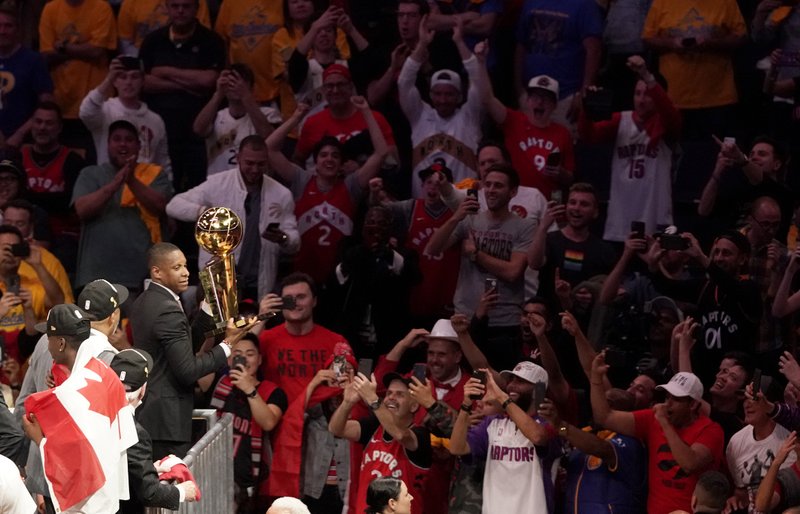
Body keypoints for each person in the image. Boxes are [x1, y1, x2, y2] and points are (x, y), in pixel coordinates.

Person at [130, 242, 254, 459]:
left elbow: (184, 346)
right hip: (167, 423)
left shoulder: (146, 300)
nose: (186, 273)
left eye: (185, 266)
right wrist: (228, 344)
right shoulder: (167, 309)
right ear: (157, 272)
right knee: (170, 488)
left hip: (154, 415)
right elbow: (188, 370)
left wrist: (208, 306)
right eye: (177, 268)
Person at [22, 304, 137, 514]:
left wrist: (38, 438)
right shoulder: (107, 375)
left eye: (49, 339)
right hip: (109, 497)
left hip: (84, 505)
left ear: (61, 343)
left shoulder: (67, 395)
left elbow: (72, 461)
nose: (47, 345)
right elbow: (125, 438)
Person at [266, 97, 388, 286]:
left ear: (341, 164)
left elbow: (381, 153)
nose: (329, 159)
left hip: (339, 279)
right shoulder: (302, 180)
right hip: (301, 276)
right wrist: (297, 116)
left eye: (335, 155)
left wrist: (366, 112)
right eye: (323, 155)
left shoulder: (351, 186)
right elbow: (270, 148)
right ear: (315, 162)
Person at [426, 163, 534, 370]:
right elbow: (432, 248)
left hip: (505, 321)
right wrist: (457, 216)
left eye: (499, 186)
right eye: (488, 185)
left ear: (513, 192)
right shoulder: (470, 220)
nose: (491, 190)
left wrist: (476, 255)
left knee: (499, 385)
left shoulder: (525, 226)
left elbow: (513, 272)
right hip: (466, 318)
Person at [166, 135, 300, 302]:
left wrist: (283, 238)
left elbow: (295, 242)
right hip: (219, 280)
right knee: (217, 328)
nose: (255, 169)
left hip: (259, 283)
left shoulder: (281, 194)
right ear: (238, 159)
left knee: (254, 328)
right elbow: (173, 205)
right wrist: (204, 212)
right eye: (249, 163)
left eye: (260, 164)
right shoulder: (217, 184)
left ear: (267, 161)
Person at [590, 354, 725, 514]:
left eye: (676, 399)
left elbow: (689, 463)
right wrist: (596, 379)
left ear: (693, 404)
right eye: (667, 396)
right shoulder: (652, 419)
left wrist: (664, 423)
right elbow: (605, 417)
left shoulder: (711, 430)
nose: (668, 403)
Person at [578, 55, 681, 241]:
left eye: (647, 94)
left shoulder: (664, 122)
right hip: (621, 220)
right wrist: (587, 108)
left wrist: (646, 75)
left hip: (655, 218)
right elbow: (588, 136)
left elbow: (671, 114)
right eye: (637, 93)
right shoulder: (621, 120)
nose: (641, 100)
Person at [72, 120, 172, 292]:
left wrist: (131, 179)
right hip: (96, 277)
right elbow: (82, 210)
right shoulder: (90, 174)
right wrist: (115, 184)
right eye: (117, 139)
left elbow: (160, 206)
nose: (123, 144)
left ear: (139, 146)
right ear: (108, 145)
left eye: (129, 139)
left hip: (142, 277)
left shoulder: (155, 174)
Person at [449, 361, 559, 513]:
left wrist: (501, 397)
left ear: (537, 390)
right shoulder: (493, 423)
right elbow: (456, 448)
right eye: (511, 380)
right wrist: (466, 403)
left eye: (520, 382)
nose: (512, 385)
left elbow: (538, 437)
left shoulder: (549, 424)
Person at [139, 0, 225, 190]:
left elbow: (208, 81)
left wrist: (164, 71)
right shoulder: (153, 41)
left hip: (200, 132)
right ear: (167, 8)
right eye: (175, 6)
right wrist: (188, 84)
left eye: (186, 6)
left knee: (200, 189)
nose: (180, 11)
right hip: (162, 129)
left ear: (196, 8)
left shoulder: (211, 40)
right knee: (164, 187)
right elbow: (144, 82)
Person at [398, 17, 483, 197]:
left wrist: (459, 42)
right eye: (438, 94)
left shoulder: (469, 117)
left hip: (461, 211)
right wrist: (421, 45)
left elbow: (479, 81)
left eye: (449, 94)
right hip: (423, 210)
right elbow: (404, 83)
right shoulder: (419, 116)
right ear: (430, 95)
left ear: (460, 96)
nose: (443, 100)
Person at [477, 42, 573, 197]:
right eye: (535, 97)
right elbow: (487, 99)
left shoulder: (563, 133)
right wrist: (481, 62)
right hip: (515, 200)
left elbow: (570, 178)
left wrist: (560, 173)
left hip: (547, 202)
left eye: (546, 98)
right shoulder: (513, 120)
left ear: (554, 105)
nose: (540, 102)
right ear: (527, 101)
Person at [110, 348, 199, 513]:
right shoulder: (135, 432)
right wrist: (181, 492)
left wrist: (146, 469)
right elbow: (149, 493)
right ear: (143, 389)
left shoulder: (93, 415)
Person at [328, 372, 431, 514]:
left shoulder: (421, 435)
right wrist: (348, 402)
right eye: (389, 393)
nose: (391, 398)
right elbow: (336, 429)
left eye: (400, 395)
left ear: (413, 406)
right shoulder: (373, 426)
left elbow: (400, 435)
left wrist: (372, 399)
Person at [641, 0, 746, 139]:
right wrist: (671, 43)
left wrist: (710, 43)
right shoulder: (662, 2)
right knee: (675, 154)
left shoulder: (726, 2)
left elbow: (741, 37)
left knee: (716, 154)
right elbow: (647, 38)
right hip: (673, 98)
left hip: (717, 97)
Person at [209, 334, 286, 512]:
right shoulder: (218, 382)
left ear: (259, 359)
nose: (243, 359)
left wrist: (249, 389)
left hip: (251, 481)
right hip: (214, 474)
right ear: (229, 359)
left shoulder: (274, 392)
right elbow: (196, 368)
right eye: (238, 353)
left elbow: (268, 422)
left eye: (250, 354)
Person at [258, 273, 348, 401]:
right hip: (277, 415)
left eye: (301, 297)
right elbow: (236, 361)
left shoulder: (337, 343)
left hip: (321, 416)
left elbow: (341, 387)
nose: (295, 303)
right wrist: (261, 318)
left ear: (314, 301)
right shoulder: (266, 338)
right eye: (288, 299)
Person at [514, 0, 603, 129]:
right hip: (531, 95)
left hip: (566, 97)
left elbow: (594, 50)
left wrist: (584, 93)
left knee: (563, 146)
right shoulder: (530, 2)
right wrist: (519, 89)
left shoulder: (585, 5)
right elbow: (521, 46)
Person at [79, 56, 171, 178]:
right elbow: (86, 112)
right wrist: (108, 79)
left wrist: (166, 189)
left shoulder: (155, 120)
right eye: (122, 77)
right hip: (111, 184)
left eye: (134, 77)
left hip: (145, 186)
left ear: (143, 81)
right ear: (115, 82)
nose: (128, 82)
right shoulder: (105, 111)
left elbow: (162, 161)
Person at [527, 182, 617, 306]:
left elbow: (610, 288)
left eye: (584, 204)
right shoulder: (550, 239)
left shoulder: (604, 249)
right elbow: (533, 263)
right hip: (548, 317)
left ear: (595, 212)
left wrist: (594, 293)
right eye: (572, 202)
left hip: (584, 321)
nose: (576, 208)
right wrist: (543, 227)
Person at [293, 65, 397, 168]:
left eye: (341, 84)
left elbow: (394, 160)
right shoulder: (313, 123)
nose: (335, 90)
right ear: (323, 90)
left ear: (351, 87)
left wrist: (360, 167)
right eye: (330, 86)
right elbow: (298, 159)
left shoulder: (374, 118)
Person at [192, 63, 279, 177]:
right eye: (231, 82)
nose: (235, 86)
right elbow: (198, 129)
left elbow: (268, 137)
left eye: (240, 83)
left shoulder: (268, 114)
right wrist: (218, 94)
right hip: (219, 186)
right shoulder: (216, 116)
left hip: (254, 185)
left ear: (251, 88)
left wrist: (245, 95)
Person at [38, 0, 117, 124]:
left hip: (96, 103)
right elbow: (46, 56)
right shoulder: (50, 9)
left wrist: (63, 47)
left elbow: (97, 52)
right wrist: (84, 49)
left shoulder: (101, 7)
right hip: (60, 102)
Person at [725, 383, 796, 513]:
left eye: (755, 399)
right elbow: (741, 492)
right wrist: (736, 500)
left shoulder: (791, 437)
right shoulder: (736, 442)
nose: (747, 404)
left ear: (771, 405)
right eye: (745, 398)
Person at [0, 224, 63, 363]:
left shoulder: (32, 285)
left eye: (14, 248)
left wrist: (38, 264)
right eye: (5, 248)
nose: (10, 252)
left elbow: (58, 303)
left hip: (25, 359)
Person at [0, 4, 52, 149]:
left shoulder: (33, 61)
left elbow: (46, 105)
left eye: (8, 26)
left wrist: (19, 134)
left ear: (18, 30)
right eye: (0, 26)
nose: (2, 31)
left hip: (23, 143)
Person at [214, 0, 284, 106]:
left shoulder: (281, 3)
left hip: (279, 92)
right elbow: (222, 42)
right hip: (240, 90)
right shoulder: (229, 3)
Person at [4, 199, 73, 304]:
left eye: (20, 224)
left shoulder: (47, 260)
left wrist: (38, 266)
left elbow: (64, 305)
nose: (12, 228)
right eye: (7, 222)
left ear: (30, 227)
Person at [116, 0, 211, 56]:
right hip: (143, 67)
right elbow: (125, 43)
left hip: (189, 62)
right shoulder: (131, 2)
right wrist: (146, 62)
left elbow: (203, 38)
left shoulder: (197, 1)